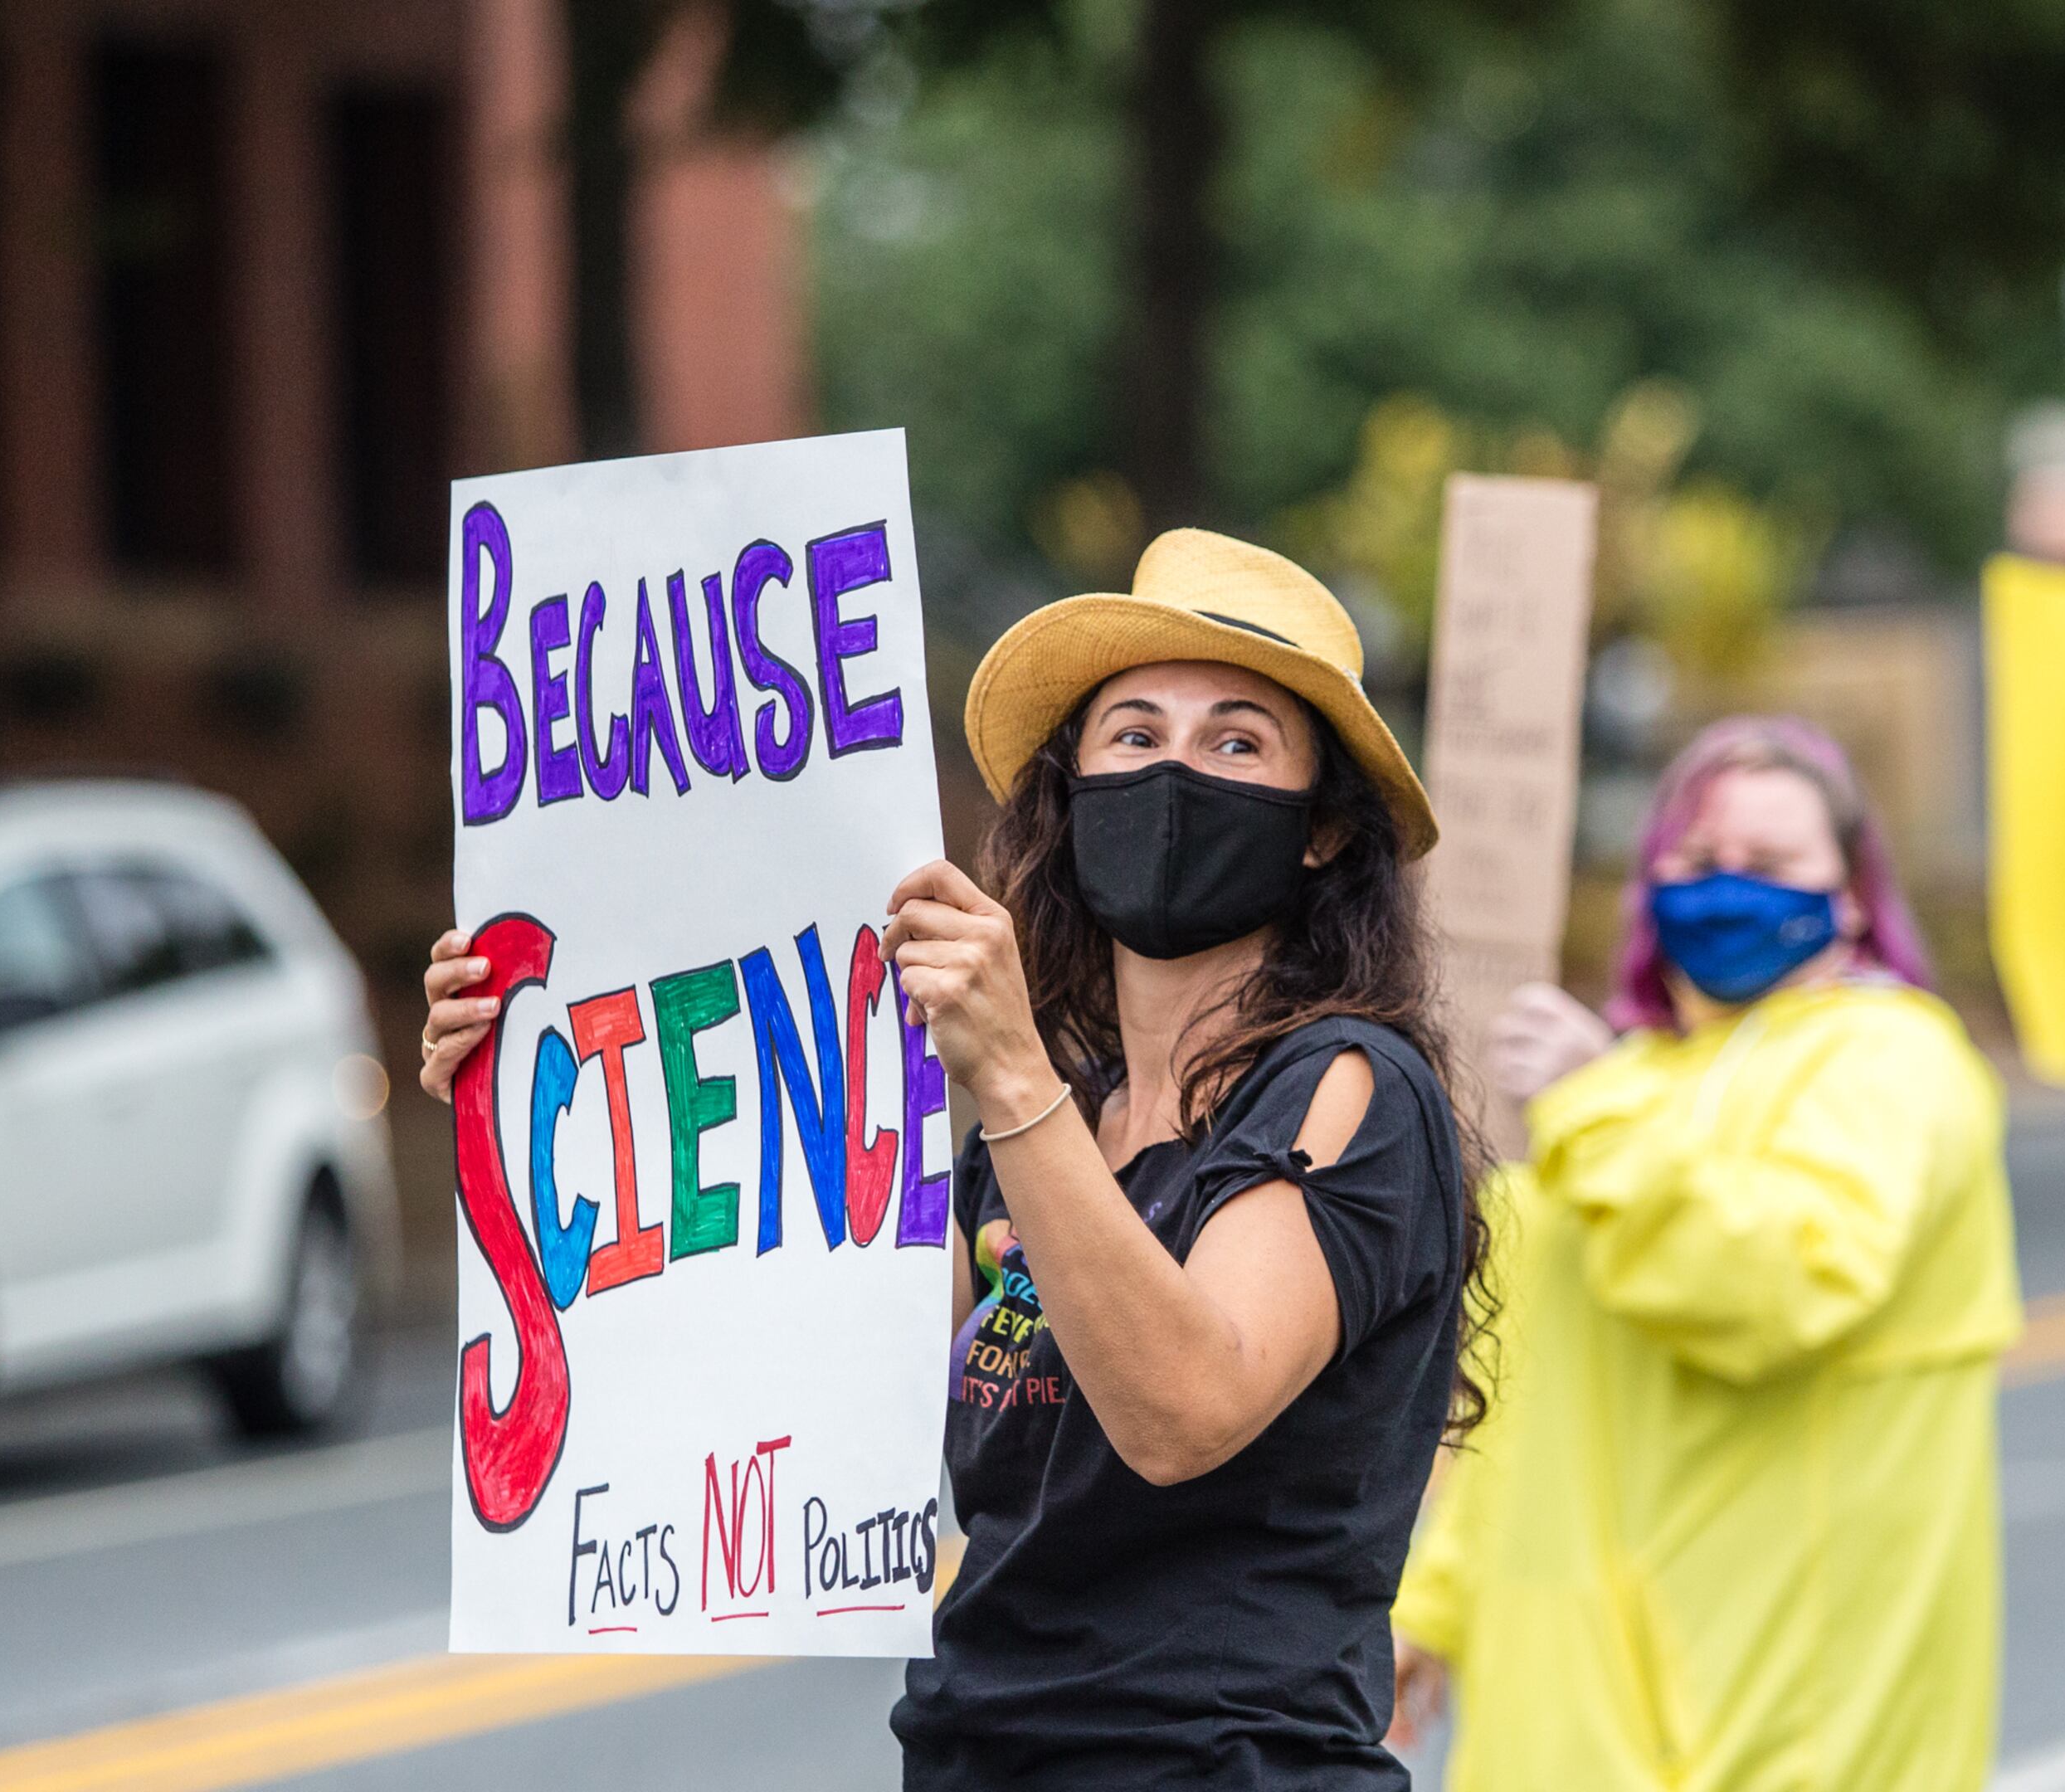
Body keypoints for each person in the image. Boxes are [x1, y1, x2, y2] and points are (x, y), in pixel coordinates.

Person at [421, 528, 1486, 1790]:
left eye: (1237, 742)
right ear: (1074, 797)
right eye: (1134, 736)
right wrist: (544, 1106)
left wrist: (1014, 1077)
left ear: (1318, 832)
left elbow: (1185, 1410)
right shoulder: (1044, 1135)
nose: (1175, 772)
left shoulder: (1351, 1090)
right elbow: (803, 1377)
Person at [1386, 716, 2020, 1792]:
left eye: (1771, 865)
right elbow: (1525, 1397)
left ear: (1854, 893)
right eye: (1698, 862)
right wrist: (1433, 1606)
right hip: (1574, 1707)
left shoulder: (1893, 1062)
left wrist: (1598, 1107)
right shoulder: (1631, 1081)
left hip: (1784, 1717)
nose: (1728, 889)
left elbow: (1777, 1283)